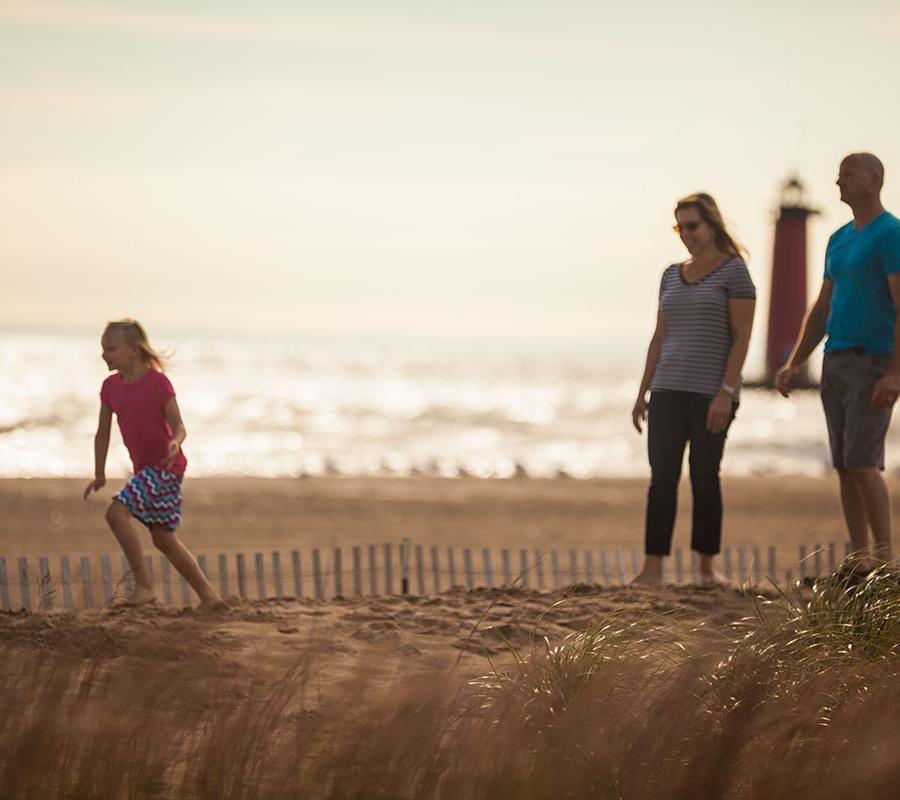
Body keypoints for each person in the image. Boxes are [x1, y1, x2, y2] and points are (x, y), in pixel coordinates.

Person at [776, 153, 900, 573]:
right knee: (845, 465)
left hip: (872, 361)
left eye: (848, 173)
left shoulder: (891, 234)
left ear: (874, 179)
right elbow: (823, 305)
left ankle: (885, 561)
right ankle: (860, 557)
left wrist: (895, 372)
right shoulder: (838, 238)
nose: (838, 181)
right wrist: (796, 362)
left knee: (864, 462)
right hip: (835, 360)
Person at [631, 194, 756, 586]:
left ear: (713, 224)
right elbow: (659, 337)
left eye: (693, 226)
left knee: (704, 477)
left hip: (710, 395)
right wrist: (642, 392)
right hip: (667, 390)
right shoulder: (670, 274)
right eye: (679, 227)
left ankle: (706, 570)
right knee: (662, 479)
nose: (686, 234)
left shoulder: (735, 273)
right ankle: (652, 570)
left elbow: (742, 338)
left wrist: (725, 392)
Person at [84, 319, 227, 610]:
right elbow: (103, 433)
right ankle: (210, 598)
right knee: (163, 538)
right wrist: (99, 473)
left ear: (134, 350)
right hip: (145, 471)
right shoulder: (110, 387)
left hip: (165, 468)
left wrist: (175, 442)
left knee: (116, 513)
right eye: (102, 349)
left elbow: (179, 426)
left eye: (111, 348)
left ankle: (144, 588)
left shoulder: (157, 382)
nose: (104, 355)